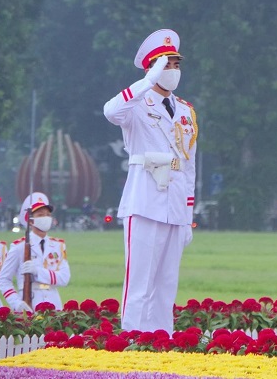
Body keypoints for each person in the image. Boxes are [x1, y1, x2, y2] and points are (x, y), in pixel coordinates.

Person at [104, 29, 198, 332]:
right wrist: (146, 82)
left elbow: (189, 165)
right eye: (165, 65)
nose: (172, 71)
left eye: (175, 65)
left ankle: (161, 339)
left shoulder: (185, 110)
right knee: (140, 281)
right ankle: (133, 338)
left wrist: (187, 215)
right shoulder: (136, 104)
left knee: (167, 281)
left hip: (174, 201)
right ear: (151, 67)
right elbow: (111, 111)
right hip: (144, 199)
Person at [0, 192, 70, 312]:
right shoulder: (19, 247)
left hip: (53, 302)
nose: (45, 218)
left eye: (48, 214)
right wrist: (15, 302)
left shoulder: (58, 246)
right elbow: (3, 279)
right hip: (28, 303)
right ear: (30, 220)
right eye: (40, 215)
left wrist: (38, 272)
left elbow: (64, 278)